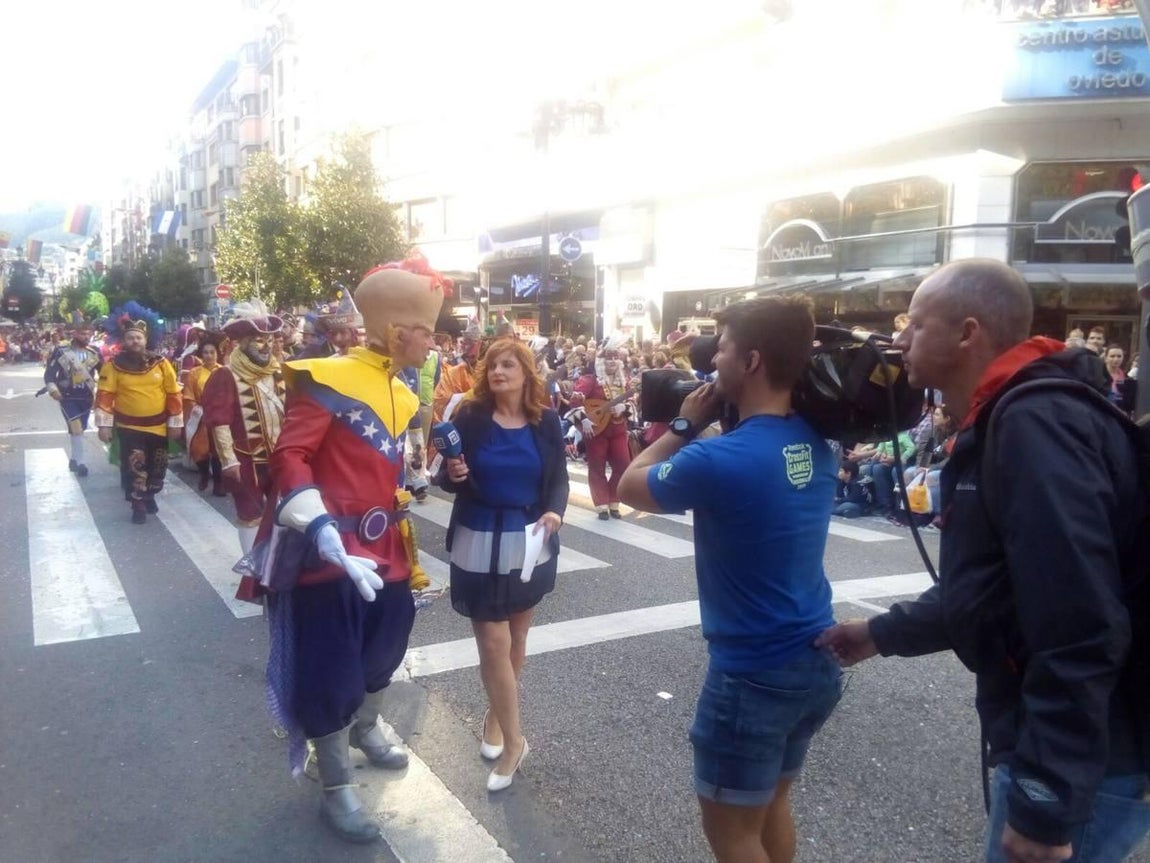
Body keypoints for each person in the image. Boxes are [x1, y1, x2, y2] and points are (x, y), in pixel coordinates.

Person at [816, 258, 1149, 863]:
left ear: (968, 333)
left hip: (1090, 765)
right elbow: (997, 587)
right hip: (1076, 752)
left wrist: (1045, 796)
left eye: (915, 325)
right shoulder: (1009, 416)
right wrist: (880, 632)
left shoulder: (1033, 421)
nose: (899, 341)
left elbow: (1078, 618)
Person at [617, 295, 843, 863]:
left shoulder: (718, 458)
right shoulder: (817, 442)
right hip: (815, 656)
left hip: (752, 674)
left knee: (734, 834)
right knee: (770, 808)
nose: (711, 364)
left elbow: (628, 485)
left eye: (721, 350)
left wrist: (686, 422)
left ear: (752, 361)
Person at [251, 256, 449, 844]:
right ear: (397, 332)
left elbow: (383, 464)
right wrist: (320, 529)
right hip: (329, 553)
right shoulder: (326, 378)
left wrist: (418, 479)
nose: (432, 342)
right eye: (427, 331)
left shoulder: (402, 389)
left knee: (387, 640)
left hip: (387, 545)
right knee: (330, 667)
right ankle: (336, 787)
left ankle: (366, 726)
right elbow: (291, 457)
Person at [437, 338, 568, 792]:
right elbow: (445, 475)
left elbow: (559, 480)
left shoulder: (546, 421)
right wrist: (452, 475)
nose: (497, 372)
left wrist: (556, 511)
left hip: (529, 539)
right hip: (477, 535)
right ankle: (515, 743)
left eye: (508, 365)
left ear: (526, 372)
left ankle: (496, 717)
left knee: (516, 637)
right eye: (492, 365)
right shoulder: (469, 416)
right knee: (492, 643)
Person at [199, 305, 285, 555]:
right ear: (244, 342)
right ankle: (252, 568)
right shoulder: (226, 375)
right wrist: (229, 462)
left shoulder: (277, 371)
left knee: (284, 509)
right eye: (260, 340)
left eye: (269, 340)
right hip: (245, 459)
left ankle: (277, 564)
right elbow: (219, 422)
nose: (266, 346)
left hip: (280, 456)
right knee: (250, 512)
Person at [94, 319, 183, 524]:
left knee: (157, 467)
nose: (135, 341)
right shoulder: (113, 365)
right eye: (130, 338)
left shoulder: (161, 363)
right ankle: (138, 505)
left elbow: (173, 393)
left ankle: (150, 495)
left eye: (138, 337)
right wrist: (104, 425)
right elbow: (105, 395)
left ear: (145, 339)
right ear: (124, 341)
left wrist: (175, 423)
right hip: (129, 427)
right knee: (136, 466)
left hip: (158, 426)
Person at [566, 337, 634, 520]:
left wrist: (624, 408)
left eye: (615, 358)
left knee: (622, 465)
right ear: (601, 361)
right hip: (596, 430)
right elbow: (574, 401)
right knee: (597, 467)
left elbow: (632, 404)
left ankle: (614, 500)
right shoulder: (591, 380)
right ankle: (602, 504)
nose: (612, 362)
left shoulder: (624, 382)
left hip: (618, 429)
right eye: (608, 358)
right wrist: (584, 421)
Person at [43, 323, 102, 477]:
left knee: (79, 429)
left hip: (86, 396)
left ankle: (74, 458)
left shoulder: (95, 352)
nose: (86, 336)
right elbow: (49, 373)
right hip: (67, 396)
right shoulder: (61, 351)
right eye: (83, 333)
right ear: (75, 333)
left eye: (89, 333)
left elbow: (105, 374)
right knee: (76, 426)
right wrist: (53, 389)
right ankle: (81, 462)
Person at [182, 332, 226, 495]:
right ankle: (203, 473)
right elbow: (188, 395)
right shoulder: (195, 373)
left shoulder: (224, 371)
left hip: (220, 415)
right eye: (206, 352)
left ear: (217, 353)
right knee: (200, 449)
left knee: (219, 449)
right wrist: (196, 410)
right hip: (200, 416)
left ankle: (219, 484)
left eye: (212, 352)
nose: (209, 356)